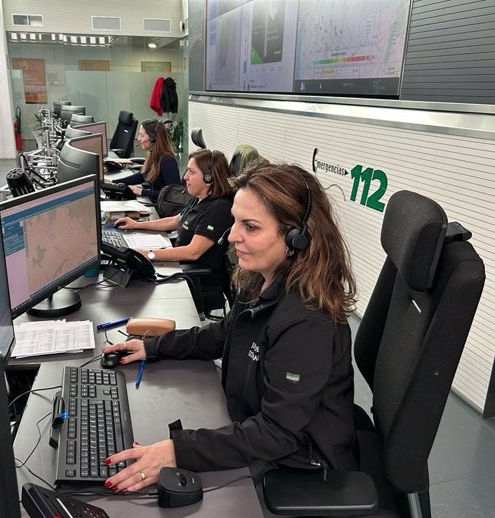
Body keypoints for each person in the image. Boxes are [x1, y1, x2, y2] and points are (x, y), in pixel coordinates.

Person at [102, 162, 357, 492]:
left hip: (298, 466)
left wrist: (179, 450)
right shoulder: (261, 280)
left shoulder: (306, 322)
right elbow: (223, 335)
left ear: (298, 237)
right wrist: (152, 347)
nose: (231, 235)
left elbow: (277, 433)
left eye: (250, 227)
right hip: (252, 428)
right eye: (236, 221)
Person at [113, 148, 234, 294]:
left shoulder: (218, 209)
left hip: (194, 280)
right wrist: (136, 224)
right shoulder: (200, 198)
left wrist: (149, 254)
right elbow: (176, 220)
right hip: (177, 267)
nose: (185, 177)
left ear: (209, 179)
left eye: (191, 172)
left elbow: (193, 252)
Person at [115, 119, 180, 202]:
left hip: (162, 209)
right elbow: (141, 176)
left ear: (153, 138)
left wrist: (142, 191)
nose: (138, 138)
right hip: (155, 201)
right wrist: (114, 182)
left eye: (142, 135)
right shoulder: (153, 155)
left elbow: (173, 194)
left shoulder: (167, 161)